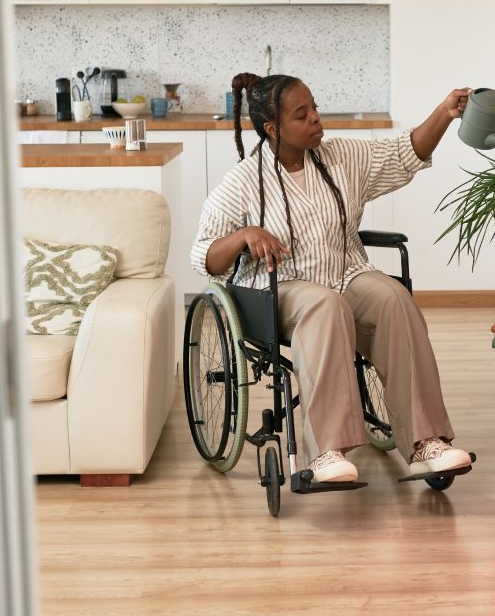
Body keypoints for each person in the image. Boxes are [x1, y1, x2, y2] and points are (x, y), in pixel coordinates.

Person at [191, 72, 473, 483]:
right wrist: (243, 235)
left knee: (393, 297)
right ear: (273, 129)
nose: (316, 120)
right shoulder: (243, 182)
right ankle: (327, 452)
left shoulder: (341, 157)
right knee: (326, 304)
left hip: (347, 273)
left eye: (315, 109)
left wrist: (444, 114)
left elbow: (403, 153)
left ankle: (424, 443)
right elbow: (203, 256)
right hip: (281, 289)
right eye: (302, 115)